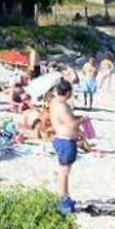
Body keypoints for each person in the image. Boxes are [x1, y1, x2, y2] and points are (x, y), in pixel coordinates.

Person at [49, 80, 78, 215]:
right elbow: (71, 124)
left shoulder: (55, 103)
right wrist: (83, 120)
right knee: (64, 173)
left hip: (60, 139)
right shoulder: (62, 106)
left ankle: (64, 197)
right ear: (67, 93)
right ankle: (63, 199)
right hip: (65, 140)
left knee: (62, 171)